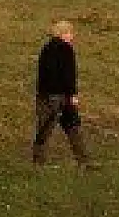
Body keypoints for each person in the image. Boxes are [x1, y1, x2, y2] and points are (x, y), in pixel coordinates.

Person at [32, 20, 92, 166]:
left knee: (43, 130)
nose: (72, 36)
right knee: (72, 127)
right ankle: (83, 161)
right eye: (70, 33)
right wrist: (73, 95)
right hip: (62, 96)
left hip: (44, 95)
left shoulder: (46, 48)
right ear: (63, 33)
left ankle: (38, 161)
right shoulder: (66, 49)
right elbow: (68, 75)